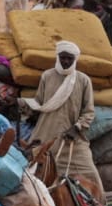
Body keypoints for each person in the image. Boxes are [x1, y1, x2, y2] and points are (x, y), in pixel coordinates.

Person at [26, 42, 99, 184]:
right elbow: (39, 102)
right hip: (46, 140)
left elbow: (89, 112)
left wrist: (77, 128)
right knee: (32, 180)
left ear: (75, 59)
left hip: (72, 143)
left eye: (69, 58)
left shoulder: (84, 80)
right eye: (63, 57)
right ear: (57, 57)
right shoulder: (47, 76)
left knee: (92, 177)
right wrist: (27, 107)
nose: (65, 61)